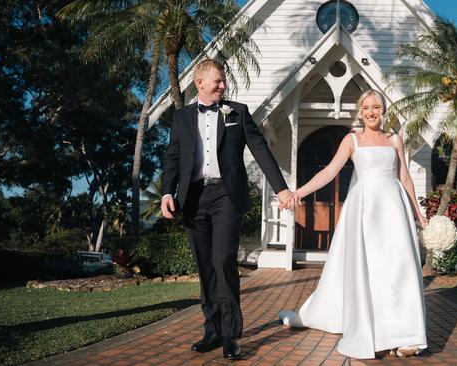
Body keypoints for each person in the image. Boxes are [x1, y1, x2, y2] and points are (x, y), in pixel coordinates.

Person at [161, 58, 295, 360]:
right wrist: (167, 192)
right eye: (218, 81)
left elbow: (260, 148)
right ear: (200, 83)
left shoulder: (238, 112)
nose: (224, 85)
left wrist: (281, 188)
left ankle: (231, 334)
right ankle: (212, 330)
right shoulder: (181, 117)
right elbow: (172, 157)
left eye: (224, 80)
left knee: (223, 261)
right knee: (205, 266)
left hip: (226, 196)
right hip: (193, 198)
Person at [278, 90, 428, 359]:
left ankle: (407, 335)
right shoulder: (352, 140)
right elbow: (329, 172)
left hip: (395, 210)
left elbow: (404, 176)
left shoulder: (395, 139)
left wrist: (417, 211)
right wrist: (299, 192)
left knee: (399, 268)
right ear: (360, 111)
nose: (371, 112)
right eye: (366, 107)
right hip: (366, 211)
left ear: (384, 111)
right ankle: (376, 331)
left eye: (376, 107)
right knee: (372, 271)